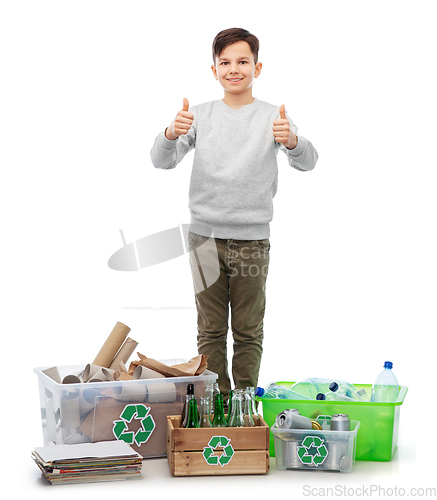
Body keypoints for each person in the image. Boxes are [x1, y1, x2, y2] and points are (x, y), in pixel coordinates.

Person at [150, 28, 318, 402]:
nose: (234, 69)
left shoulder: (274, 116)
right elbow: (162, 161)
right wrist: (168, 133)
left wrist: (292, 141)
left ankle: (243, 404)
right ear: (214, 70)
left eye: (242, 62)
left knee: (247, 330)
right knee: (209, 330)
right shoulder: (199, 116)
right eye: (225, 63)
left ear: (257, 68)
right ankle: (216, 404)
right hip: (204, 238)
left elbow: (308, 163)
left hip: (252, 241)